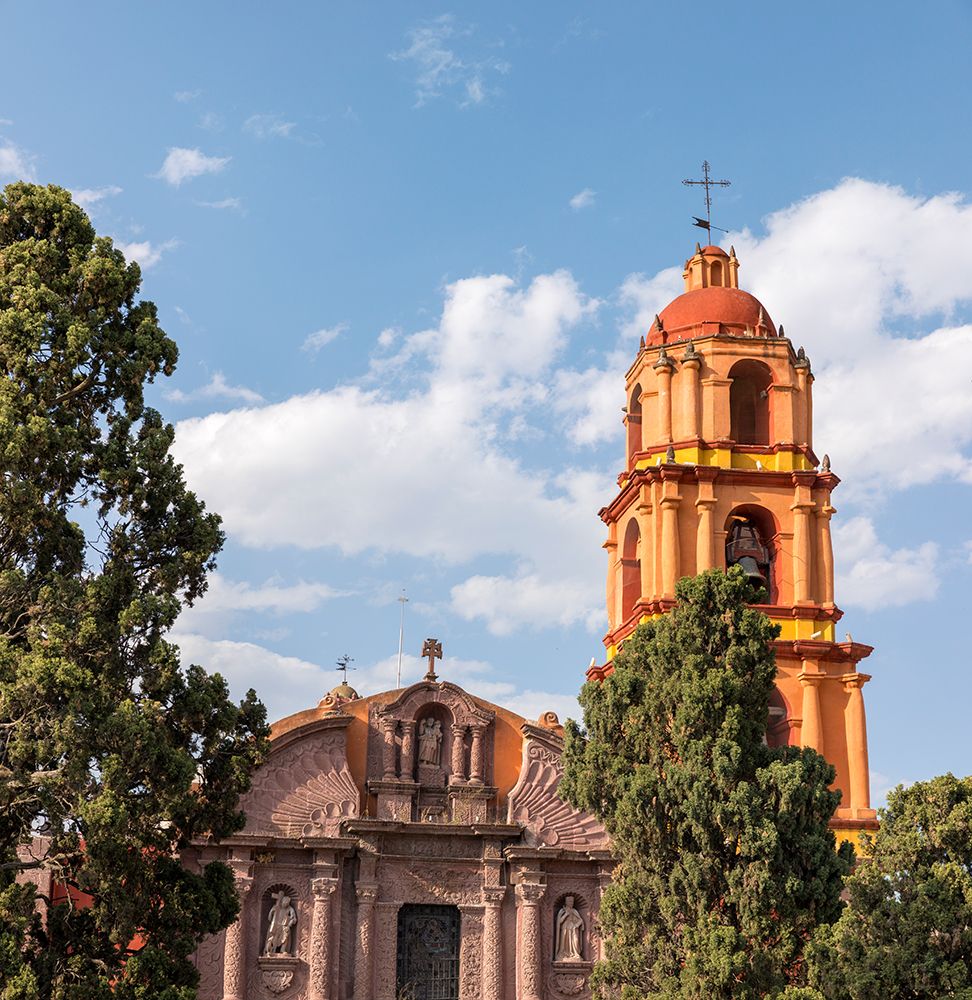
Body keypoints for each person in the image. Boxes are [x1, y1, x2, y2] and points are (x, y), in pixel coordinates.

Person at [554, 896, 584, 962]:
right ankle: (563, 954)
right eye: (569, 902)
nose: (571, 903)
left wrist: (576, 925)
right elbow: (559, 922)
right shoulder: (562, 911)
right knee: (564, 941)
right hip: (565, 928)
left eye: (572, 902)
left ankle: (575, 954)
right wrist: (566, 914)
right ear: (566, 902)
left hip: (573, 928)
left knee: (575, 940)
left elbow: (580, 920)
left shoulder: (574, 911)